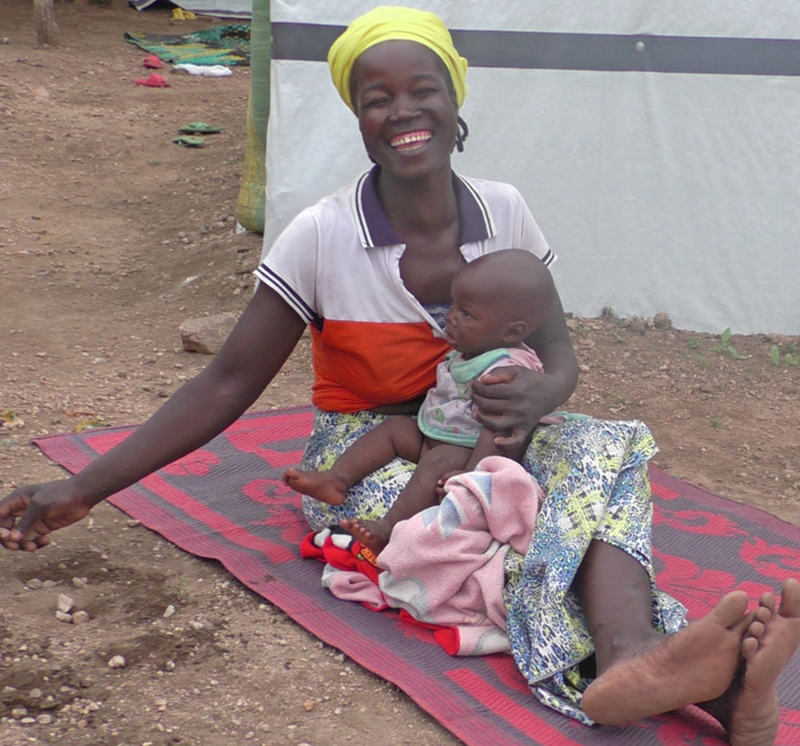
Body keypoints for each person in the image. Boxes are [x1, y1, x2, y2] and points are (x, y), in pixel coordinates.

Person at [1, 6, 798, 741]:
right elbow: (225, 384)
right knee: (486, 522)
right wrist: (85, 487)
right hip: (377, 447)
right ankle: (701, 688)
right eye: (376, 96)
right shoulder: (321, 236)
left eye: (423, 90)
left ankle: (640, 657)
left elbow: (557, 355)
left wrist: (541, 395)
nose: (402, 111)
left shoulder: (507, 212)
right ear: (357, 116)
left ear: (455, 105)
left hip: (501, 431)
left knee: (599, 452)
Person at [285, 249, 555, 553]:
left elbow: (499, 428)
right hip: (437, 435)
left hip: (466, 451)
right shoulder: (477, 347)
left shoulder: (504, 370)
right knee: (396, 429)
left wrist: (473, 474)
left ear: (512, 331)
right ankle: (336, 479)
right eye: (454, 305)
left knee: (435, 463)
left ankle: (388, 528)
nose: (451, 316)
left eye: (466, 314)